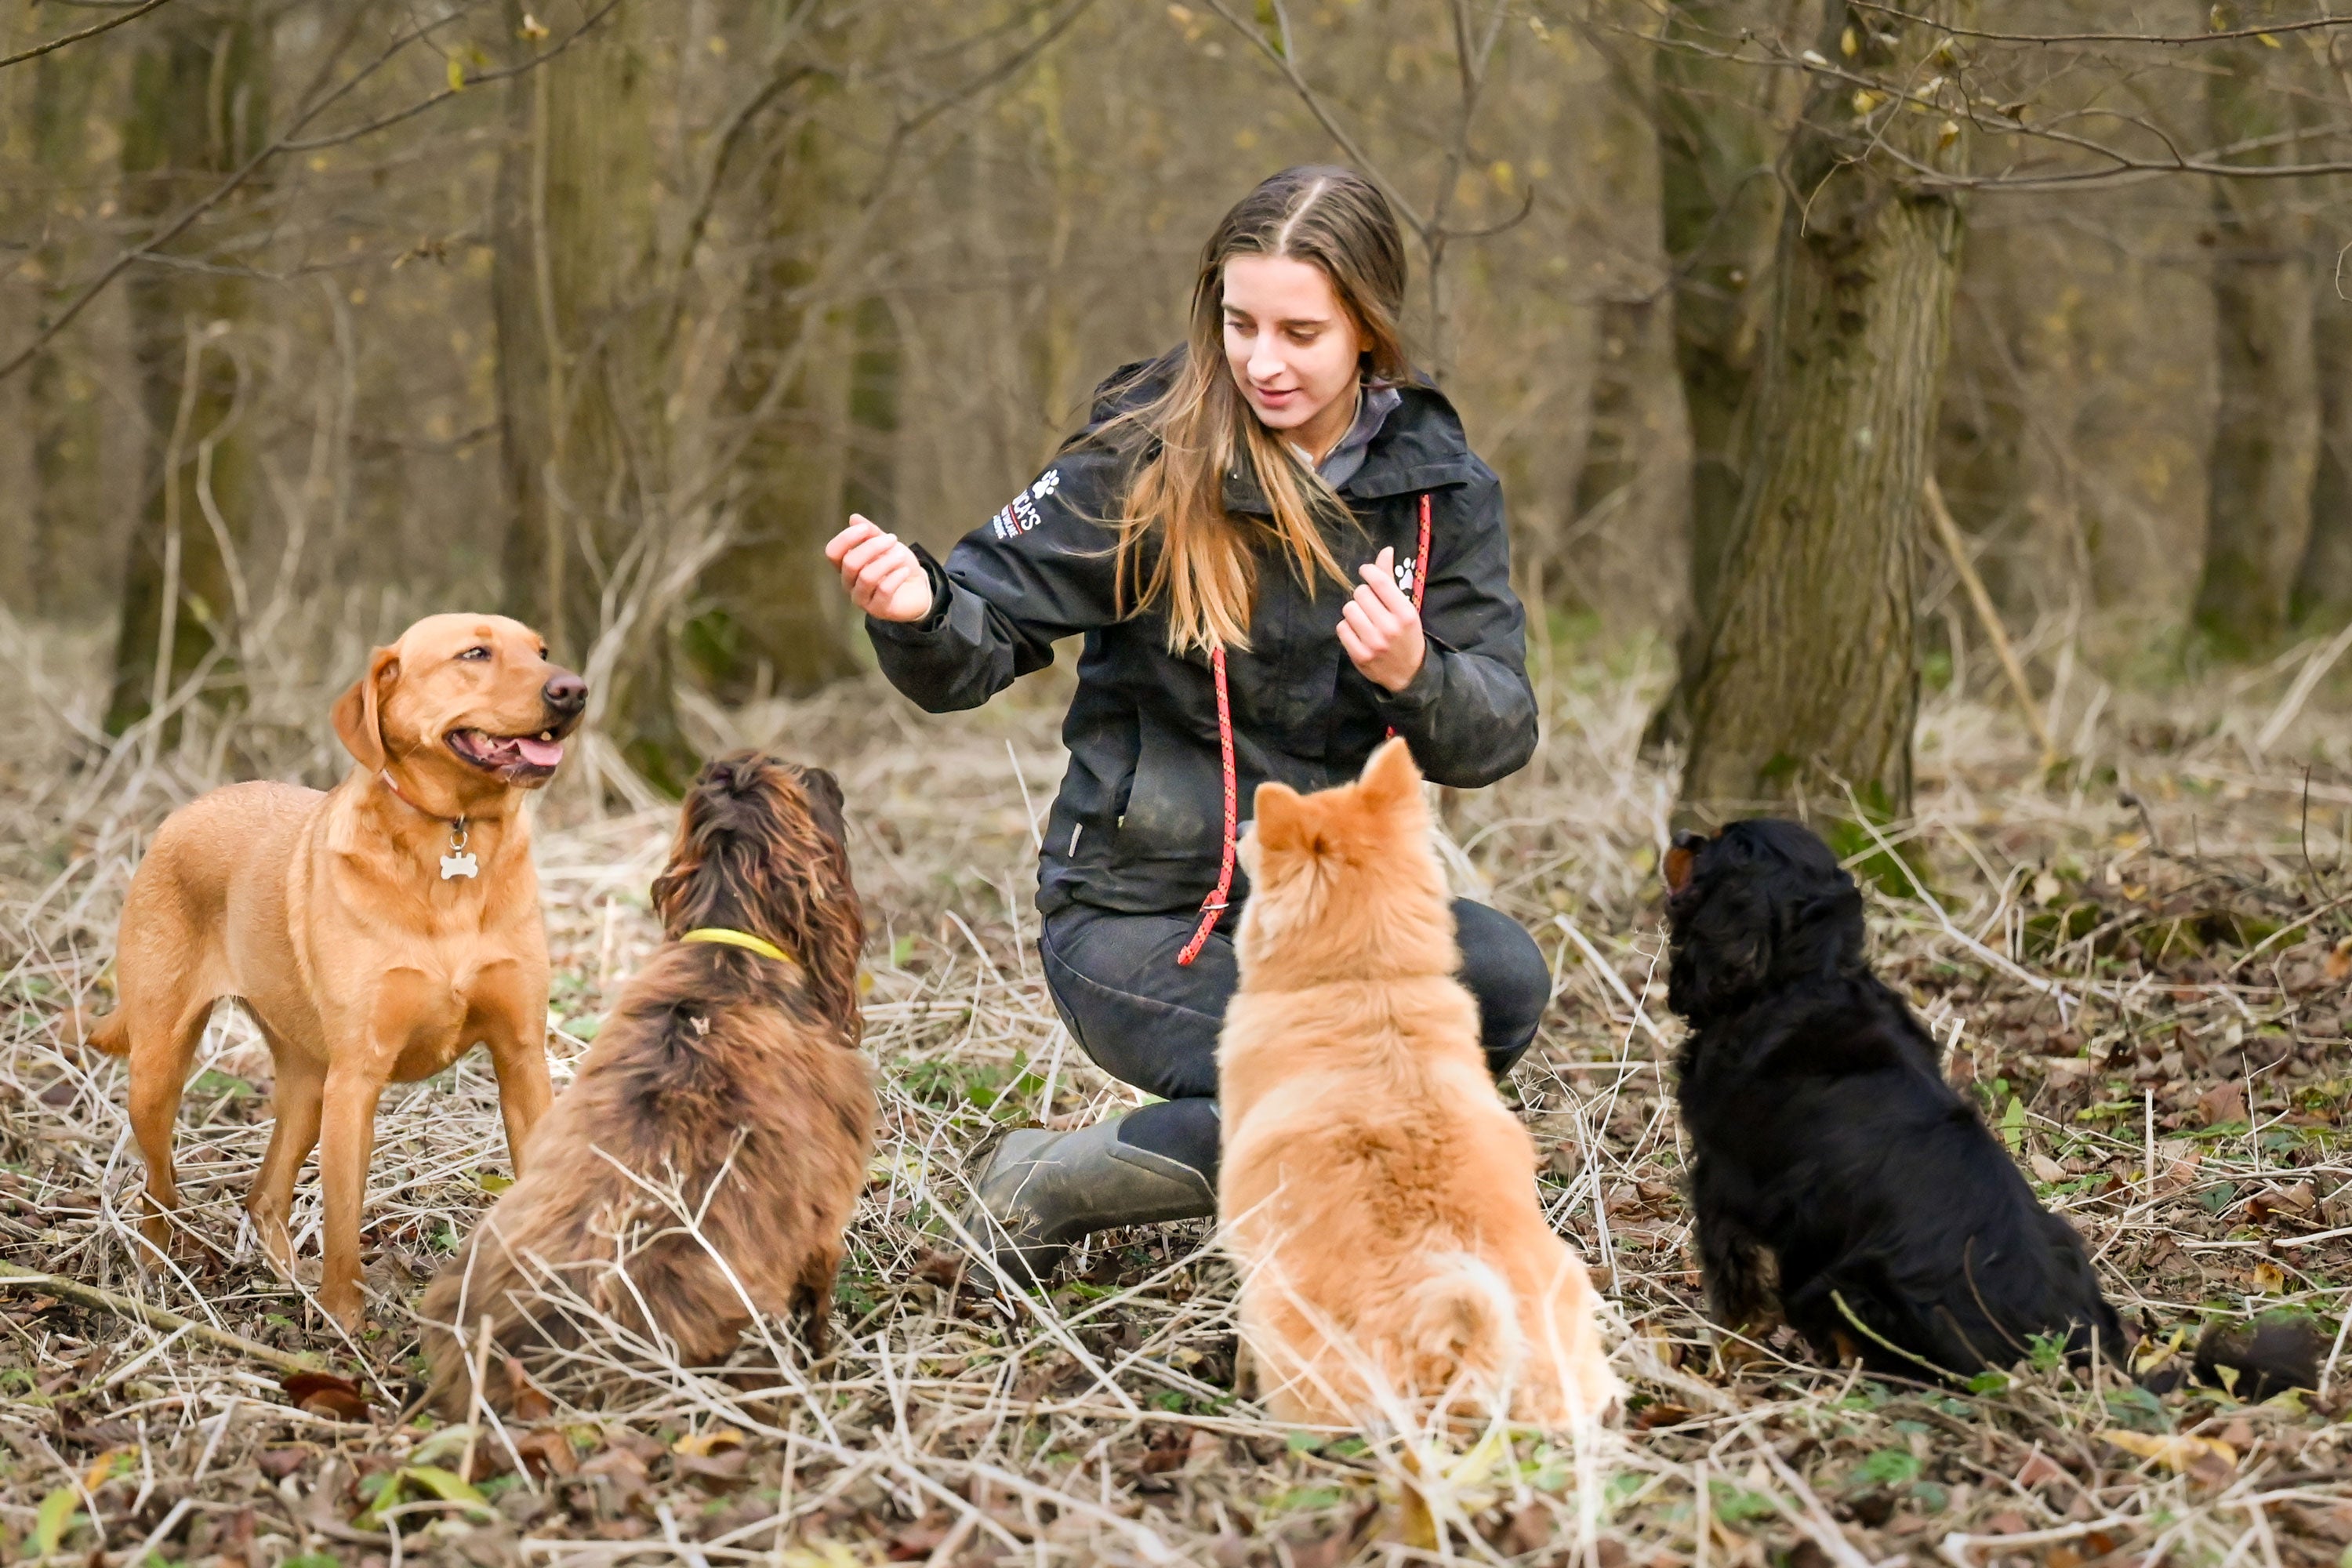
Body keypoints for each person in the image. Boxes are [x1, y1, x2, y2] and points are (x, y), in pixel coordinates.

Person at [822, 165, 1548, 1283]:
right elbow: (976, 639)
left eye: (1301, 331)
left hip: (1333, 906)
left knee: (1497, 983)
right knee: (1337, 1075)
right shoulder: (1144, 456)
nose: (1264, 361)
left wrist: (1418, 671)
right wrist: (920, 609)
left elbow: (1496, 732)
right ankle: (1049, 1178)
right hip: (1142, 916)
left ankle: (1244, 1199)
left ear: (1369, 329)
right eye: (1241, 323)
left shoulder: (1439, 490)